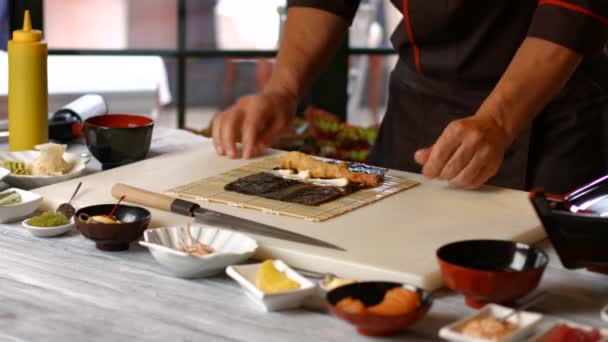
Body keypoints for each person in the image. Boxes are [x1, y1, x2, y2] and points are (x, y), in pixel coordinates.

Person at [212, 0, 608, 193]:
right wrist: (282, 88)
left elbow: (573, 9)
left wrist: (499, 120)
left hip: (549, 117)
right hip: (417, 112)